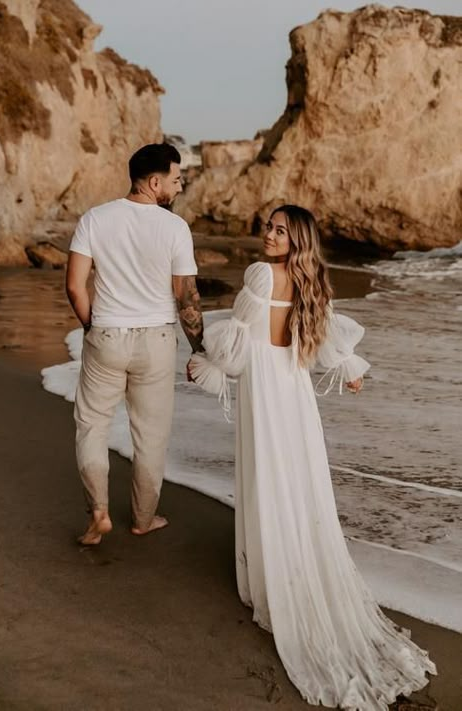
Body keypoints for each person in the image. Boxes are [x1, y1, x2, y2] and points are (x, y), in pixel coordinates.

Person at [189, 205, 436, 710]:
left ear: (296, 238)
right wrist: (348, 369)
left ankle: (272, 583)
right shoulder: (310, 280)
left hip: (265, 386)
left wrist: (207, 365)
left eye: (280, 229)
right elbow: (322, 336)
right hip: (294, 388)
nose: (268, 234)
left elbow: (237, 342)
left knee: (268, 478)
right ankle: (292, 564)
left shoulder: (261, 274)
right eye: (269, 226)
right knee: (297, 481)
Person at [66, 143, 204, 545]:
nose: (179, 187)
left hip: (106, 334)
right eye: (177, 180)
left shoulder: (95, 218)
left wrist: (94, 327)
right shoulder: (175, 228)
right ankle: (143, 519)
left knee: (92, 427)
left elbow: (75, 287)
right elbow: (187, 299)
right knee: (151, 435)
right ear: (154, 181)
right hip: (157, 342)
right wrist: (200, 351)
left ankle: (99, 514)